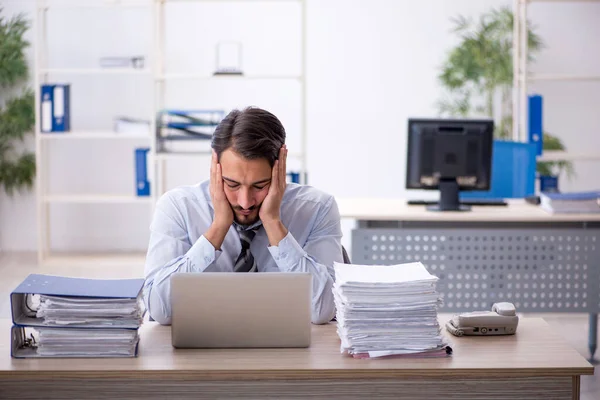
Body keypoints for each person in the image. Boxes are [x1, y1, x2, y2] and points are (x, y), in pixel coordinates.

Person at [143, 106, 343, 325]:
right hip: (202, 354)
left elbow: (324, 309)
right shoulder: (178, 208)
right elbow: (160, 309)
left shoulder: (317, 208)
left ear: (280, 170)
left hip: (289, 356)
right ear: (215, 166)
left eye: (260, 185)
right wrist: (217, 228)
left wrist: (273, 223)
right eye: (232, 184)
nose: (245, 202)